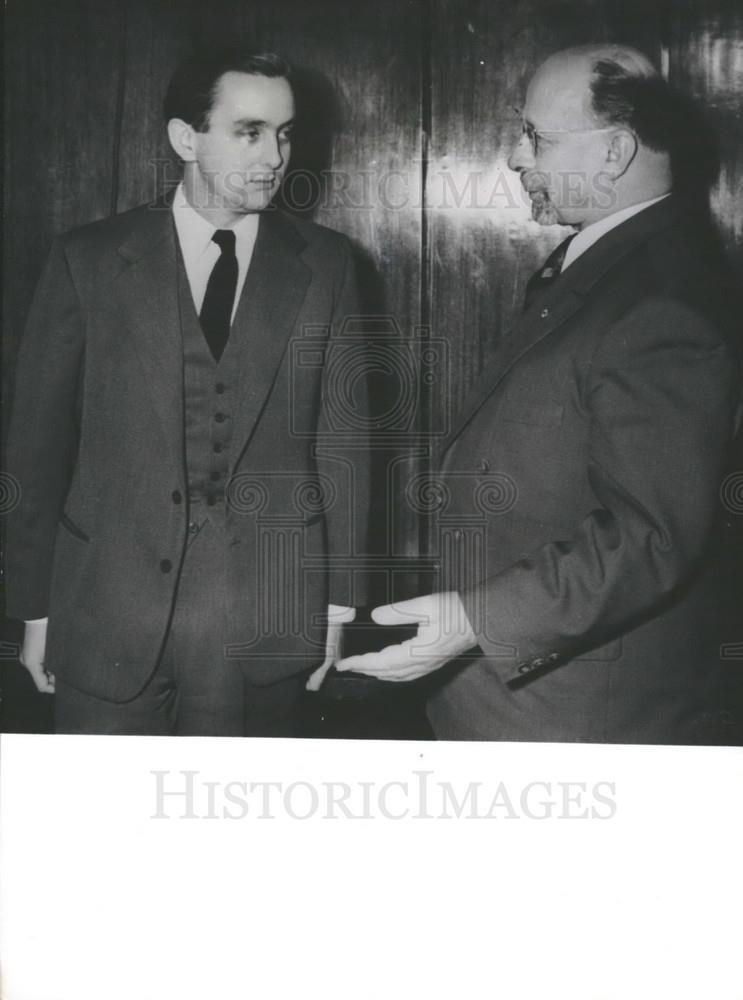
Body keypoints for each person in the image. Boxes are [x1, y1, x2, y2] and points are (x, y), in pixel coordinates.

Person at [335, 44, 741, 743]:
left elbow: (650, 536)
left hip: (579, 718)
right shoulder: (606, 264)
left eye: (537, 138)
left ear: (614, 152)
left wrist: (472, 620)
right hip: (526, 697)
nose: (517, 159)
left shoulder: (661, 299)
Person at [6, 48, 368, 735]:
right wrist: (34, 611)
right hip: (104, 615)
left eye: (285, 133)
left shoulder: (326, 265)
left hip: (262, 623)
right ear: (184, 138)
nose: (274, 155)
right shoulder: (87, 258)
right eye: (249, 131)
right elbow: (35, 449)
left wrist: (336, 611)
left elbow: (344, 445)